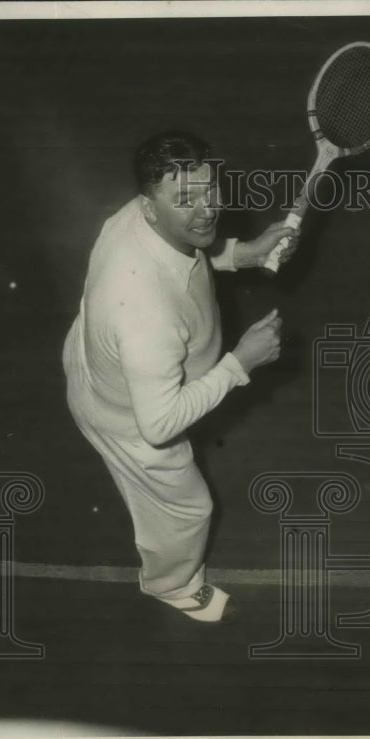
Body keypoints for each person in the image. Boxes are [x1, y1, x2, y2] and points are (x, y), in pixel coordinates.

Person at [63, 130, 296, 622]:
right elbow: (158, 426)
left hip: (101, 366)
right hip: (129, 419)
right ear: (150, 207)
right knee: (190, 509)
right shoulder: (145, 312)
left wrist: (245, 253)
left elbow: (188, 253)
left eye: (210, 189)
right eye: (186, 199)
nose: (207, 208)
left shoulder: (135, 217)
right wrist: (239, 363)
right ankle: (171, 586)